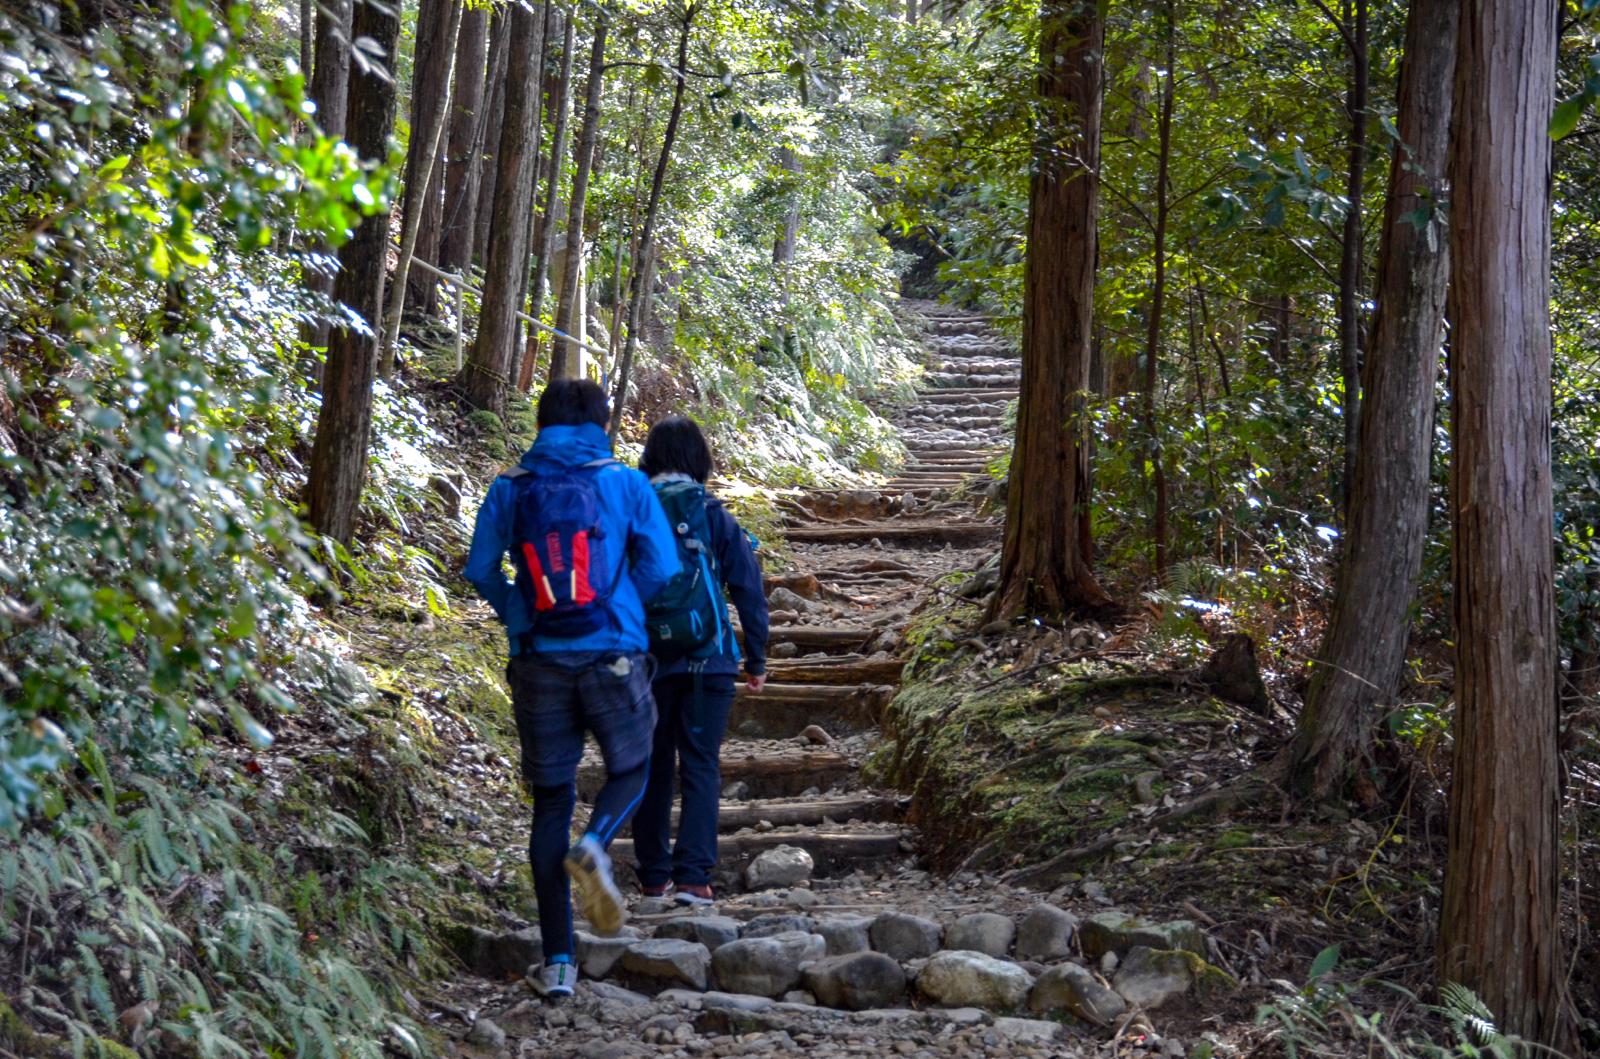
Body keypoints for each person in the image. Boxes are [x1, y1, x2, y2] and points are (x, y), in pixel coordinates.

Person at [463, 379, 679, 998]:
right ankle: (596, 844)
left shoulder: (510, 486)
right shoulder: (625, 482)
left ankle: (558, 963)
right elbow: (661, 565)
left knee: (551, 799)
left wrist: (520, 614)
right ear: (600, 422)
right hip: (612, 653)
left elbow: (481, 568)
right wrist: (621, 613)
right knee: (633, 766)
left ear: (542, 422)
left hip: (537, 662)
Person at [630, 415, 770, 906]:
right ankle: (693, 878)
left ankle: (652, 877)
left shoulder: (631, 513)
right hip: (708, 661)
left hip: (644, 663)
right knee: (700, 766)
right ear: (699, 460)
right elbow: (747, 589)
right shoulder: (713, 515)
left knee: (651, 767)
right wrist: (756, 659)